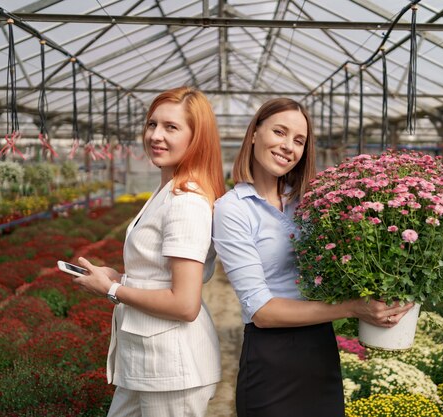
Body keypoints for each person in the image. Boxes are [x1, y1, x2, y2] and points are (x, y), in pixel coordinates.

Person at [212, 98, 414, 417]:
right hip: (271, 357)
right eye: (279, 132)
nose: (288, 146)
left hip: (320, 348)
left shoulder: (312, 203)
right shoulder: (233, 208)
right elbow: (261, 311)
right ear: (254, 133)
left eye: (299, 140)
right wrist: (352, 308)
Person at [72, 87, 225, 417]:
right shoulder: (169, 189)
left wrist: (112, 289)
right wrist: (121, 277)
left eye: (171, 127)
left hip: (172, 367)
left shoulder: (186, 202)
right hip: (148, 359)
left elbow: (185, 304)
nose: (155, 135)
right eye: (152, 124)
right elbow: (161, 276)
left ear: (197, 138)